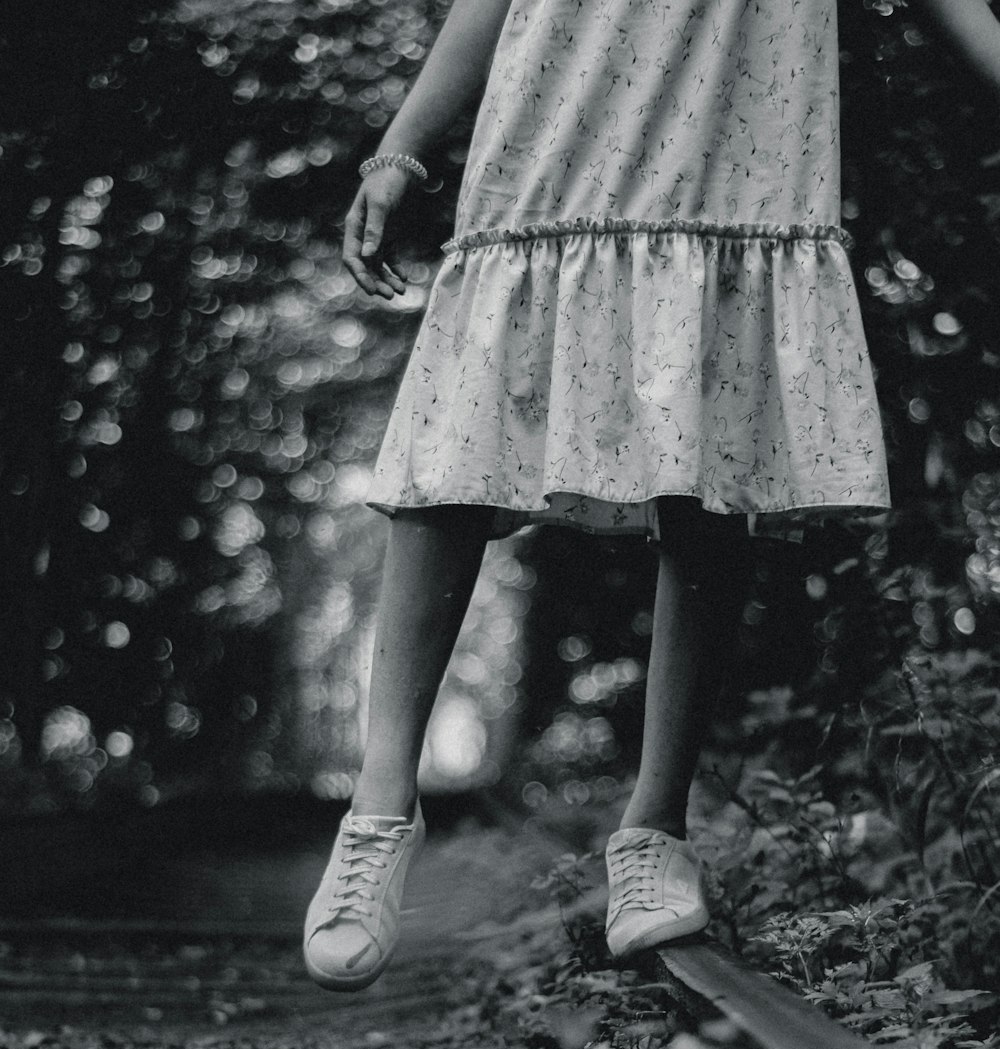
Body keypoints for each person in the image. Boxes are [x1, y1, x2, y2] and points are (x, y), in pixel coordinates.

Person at [303, 0, 1000, 993]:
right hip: (556, 124)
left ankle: (654, 830)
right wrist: (400, 149)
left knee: (708, 479)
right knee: (457, 450)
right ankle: (379, 808)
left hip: (735, 142)